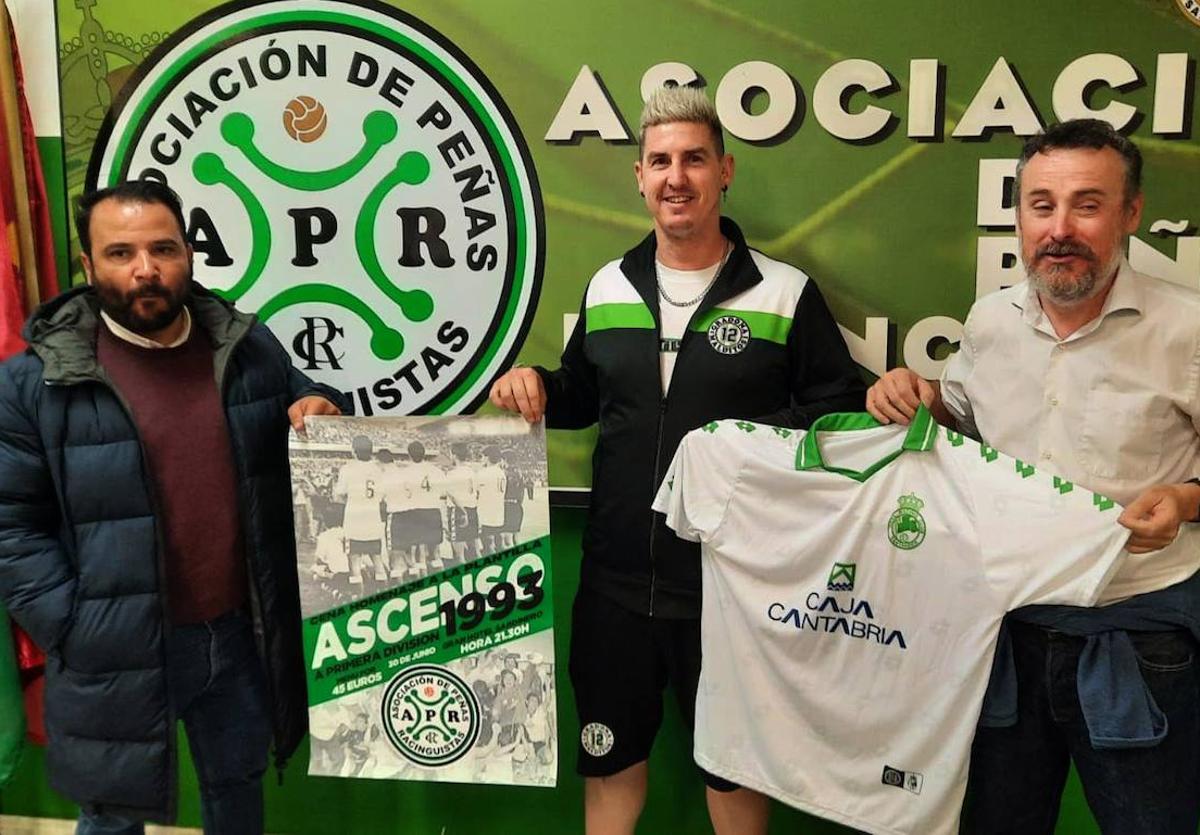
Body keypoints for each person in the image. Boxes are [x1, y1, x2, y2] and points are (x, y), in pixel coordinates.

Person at [490, 85, 865, 835]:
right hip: (614, 589)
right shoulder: (608, 285)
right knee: (610, 774)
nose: (676, 177)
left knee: (733, 783)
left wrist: (740, 440)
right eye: (660, 160)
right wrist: (536, 386)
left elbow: (839, 408)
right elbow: (583, 397)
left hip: (733, 591)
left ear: (725, 171)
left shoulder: (784, 293)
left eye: (694, 159)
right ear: (639, 176)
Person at [866, 119, 1200, 834]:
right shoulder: (991, 321)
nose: (1060, 228)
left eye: (1088, 204)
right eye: (1042, 205)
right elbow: (958, 420)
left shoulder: (1187, 327)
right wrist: (919, 396)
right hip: (1004, 634)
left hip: (1138, 638)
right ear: (1019, 215)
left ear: (1131, 212)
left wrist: (1185, 498)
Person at [0, 179, 348, 833]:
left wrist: (319, 401)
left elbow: (307, 394)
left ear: (189, 251)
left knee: (238, 794)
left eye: (163, 248)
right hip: (117, 647)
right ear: (88, 264)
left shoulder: (245, 348)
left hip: (237, 638)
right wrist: (73, 626)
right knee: (110, 816)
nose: (145, 269)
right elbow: (10, 524)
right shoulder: (34, 381)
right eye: (120, 253)